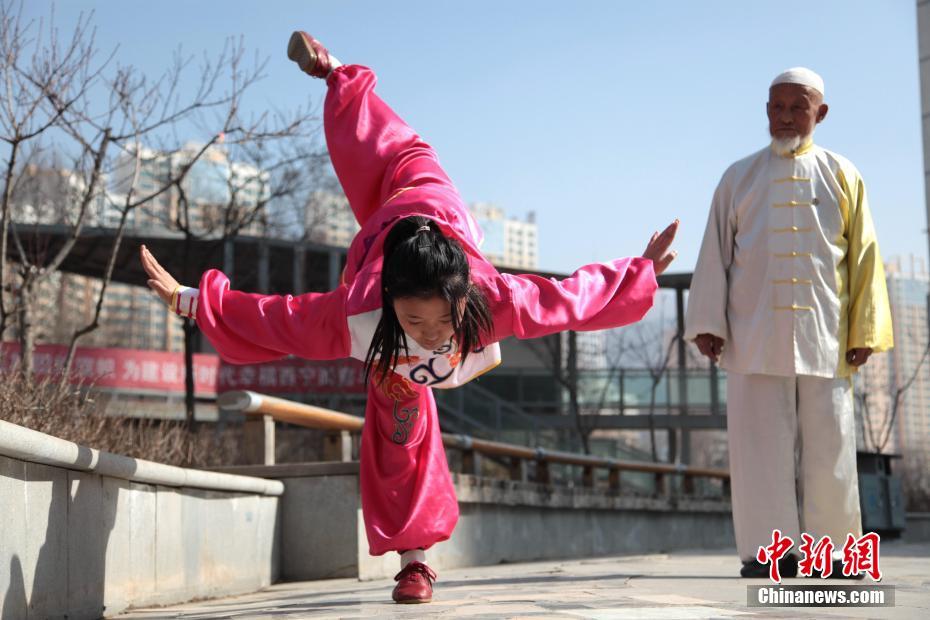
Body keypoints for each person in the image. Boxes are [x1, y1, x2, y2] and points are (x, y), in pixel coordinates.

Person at [141, 30, 678, 603]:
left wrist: (638, 270)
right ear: (388, 302)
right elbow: (278, 317)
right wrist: (190, 298)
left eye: (439, 324)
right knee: (398, 435)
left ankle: (341, 76)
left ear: (463, 306)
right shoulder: (358, 311)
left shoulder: (495, 300)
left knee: (402, 152)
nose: (428, 336)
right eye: (414, 324)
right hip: (383, 243)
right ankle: (413, 563)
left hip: (429, 197)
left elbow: (572, 297)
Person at [685, 67, 893, 579]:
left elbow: (865, 258)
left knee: (832, 450)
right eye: (775, 107)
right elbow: (713, 253)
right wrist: (710, 321)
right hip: (753, 336)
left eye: (796, 107)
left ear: (819, 114)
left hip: (827, 337)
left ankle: (838, 556)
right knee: (758, 451)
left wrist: (864, 331)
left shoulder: (844, 174)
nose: (784, 117)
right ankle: (769, 555)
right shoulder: (738, 177)